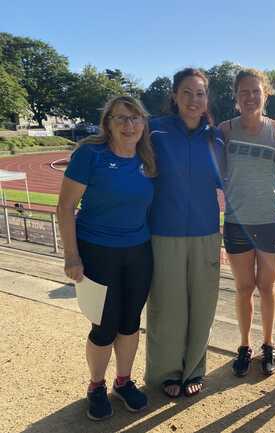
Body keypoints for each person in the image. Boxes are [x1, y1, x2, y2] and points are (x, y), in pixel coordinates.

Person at [57, 95, 156, 421]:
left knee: (130, 323)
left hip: (139, 252)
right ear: (108, 124)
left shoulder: (147, 158)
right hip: (97, 252)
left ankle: (123, 381)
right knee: (104, 326)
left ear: (143, 122)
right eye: (121, 118)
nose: (129, 125)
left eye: (135, 118)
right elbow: (65, 207)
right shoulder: (91, 154)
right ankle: (96, 386)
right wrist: (72, 256)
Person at [144, 68, 224, 398]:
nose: (193, 100)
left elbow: (229, 181)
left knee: (202, 306)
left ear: (207, 99)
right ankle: (166, 373)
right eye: (187, 93)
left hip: (206, 232)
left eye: (200, 94)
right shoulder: (154, 130)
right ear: (174, 97)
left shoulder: (216, 138)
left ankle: (194, 370)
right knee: (167, 307)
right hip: (164, 232)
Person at [218, 68, 275, 377]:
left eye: (256, 91)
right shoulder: (225, 130)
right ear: (235, 96)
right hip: (237, 221)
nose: (250, 97)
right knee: (244, 288)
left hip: (270, 219)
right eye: (244, 92)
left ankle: (269, 345)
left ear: (265, 94)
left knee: (267, 288)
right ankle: (244, 345)